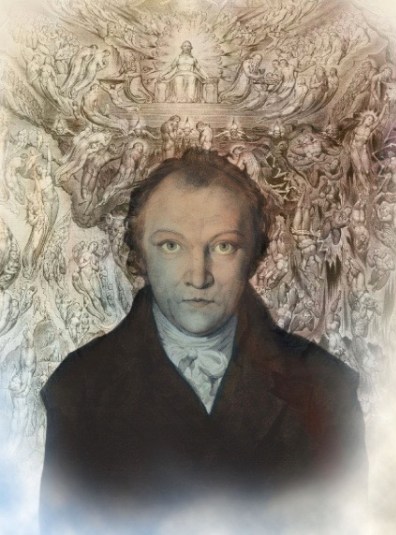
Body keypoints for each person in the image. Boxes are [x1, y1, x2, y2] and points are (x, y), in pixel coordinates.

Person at [40, 149, 365, 533]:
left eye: (224, 246)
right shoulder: (80, 388)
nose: (198, 276)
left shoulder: (325, 385)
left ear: (254, 256)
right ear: (140, 255)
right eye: (171, 246)